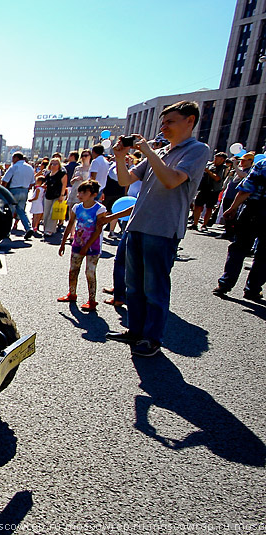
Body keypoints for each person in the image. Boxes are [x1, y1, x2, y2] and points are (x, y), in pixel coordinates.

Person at [107, 100, 211, 357]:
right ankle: (135, 331)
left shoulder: (197, 150)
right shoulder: (162, 151)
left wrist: (149, 152)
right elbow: (125, 179)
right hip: (138, 226)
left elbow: (172, 180)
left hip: (163, 229)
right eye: (162, 123)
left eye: (170, 122)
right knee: (134, 285)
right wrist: (120, 157)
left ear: (190, 121)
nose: (163, 127)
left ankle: (152, 338)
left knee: (155, 287)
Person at [57, 180, 119, 310]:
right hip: (77, 243)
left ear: (93, 194)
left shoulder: (99, 209)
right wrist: (63, 243)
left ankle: (92, 300)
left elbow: (98, 230)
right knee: (73, 270)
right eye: (80, 191)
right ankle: (72, 293)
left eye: (84, 192)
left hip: (93, 246)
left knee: (90, 272)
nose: (80, 194)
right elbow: (70, 225)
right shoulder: (76, 207)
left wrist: (87, 246)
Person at [212, 158, 266, 300]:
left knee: (239, 248)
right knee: (264, 255)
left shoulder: (263, 164)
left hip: (254, 209)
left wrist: (233, 208)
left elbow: (246, 189)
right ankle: (253, 289)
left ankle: (225, 284)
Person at [1, 151, 36, 239]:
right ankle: (28, 228)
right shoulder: (30, 168)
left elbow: (5, 180)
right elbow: (32, 182)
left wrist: (3, 191)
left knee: (10, 212)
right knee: (21, 211)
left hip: (13, 190)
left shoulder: (14, 167)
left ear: (16, 158)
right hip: (24, 190)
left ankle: (6, 231)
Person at [219, 151, 253, 239]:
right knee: (226, 212)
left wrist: (235, 166)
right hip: (229, 195)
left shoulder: (250, 170)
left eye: (244, 160)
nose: (242, 162)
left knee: (233, 215)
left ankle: (231, 233)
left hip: (236, 197)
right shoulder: (239, 169)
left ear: (250, 161)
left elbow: (243, 176)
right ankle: (227, 231)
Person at [190, 151, 228, 231]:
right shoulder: (209, 164)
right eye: (215, 158)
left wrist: (208, 171)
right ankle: (195, 223)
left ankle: (204, 224)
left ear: (222, 160)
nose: (215, 160)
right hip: (204, 188)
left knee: (209, 207)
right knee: (197, 205)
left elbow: (217, 178)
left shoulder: (223, 168)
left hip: (213, 190)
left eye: (217, 158)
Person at [41, 158, 68, 237]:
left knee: (53, 213)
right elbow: (46, 183)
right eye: (52, 164)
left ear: (59, 165)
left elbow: (64, 185)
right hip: (48, 194)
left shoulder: (62, 173)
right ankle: (46, 228)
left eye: (55, 164)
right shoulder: (48, 174)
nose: (53, 165)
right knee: (46, 213)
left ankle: (50, 230)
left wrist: (62, 195)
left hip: (57, 195)